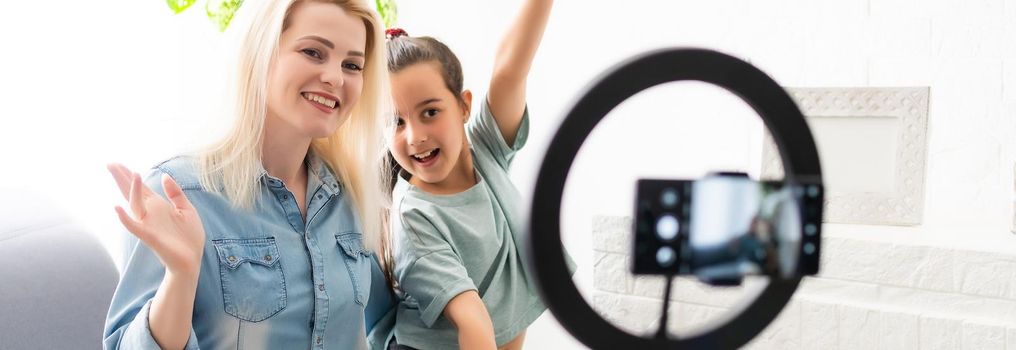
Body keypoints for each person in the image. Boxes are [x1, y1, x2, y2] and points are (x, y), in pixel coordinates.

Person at [102, 1, 395, 349]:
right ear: (261, 53)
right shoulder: (178, 194)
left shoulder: (348, 195)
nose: (335, 77)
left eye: (352, 65)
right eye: (313, 52)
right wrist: (180, 278)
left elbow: (385, 322)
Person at [383, 0, 554, 348]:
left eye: (430, 112)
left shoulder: (485, 151)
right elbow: (473, 320)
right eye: (395, 121)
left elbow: (510, 68)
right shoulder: (414, 218)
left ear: (463, 106)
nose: (415, 136)